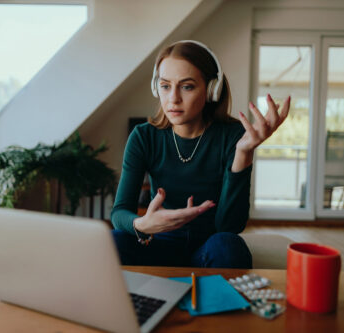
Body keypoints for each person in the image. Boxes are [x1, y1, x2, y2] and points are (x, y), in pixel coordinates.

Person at [111, 40, 290, 268]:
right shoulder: (144, 136)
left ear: (211, 90)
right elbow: (119, 213)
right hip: (157, 245)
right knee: (113, 241)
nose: (173, 98)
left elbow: (230, 226)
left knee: (229, 245)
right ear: (157, 88)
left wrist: (243, 153)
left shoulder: (234, 136)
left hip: (207, 249)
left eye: (187, 86)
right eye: (165, 86)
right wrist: (142, 224)